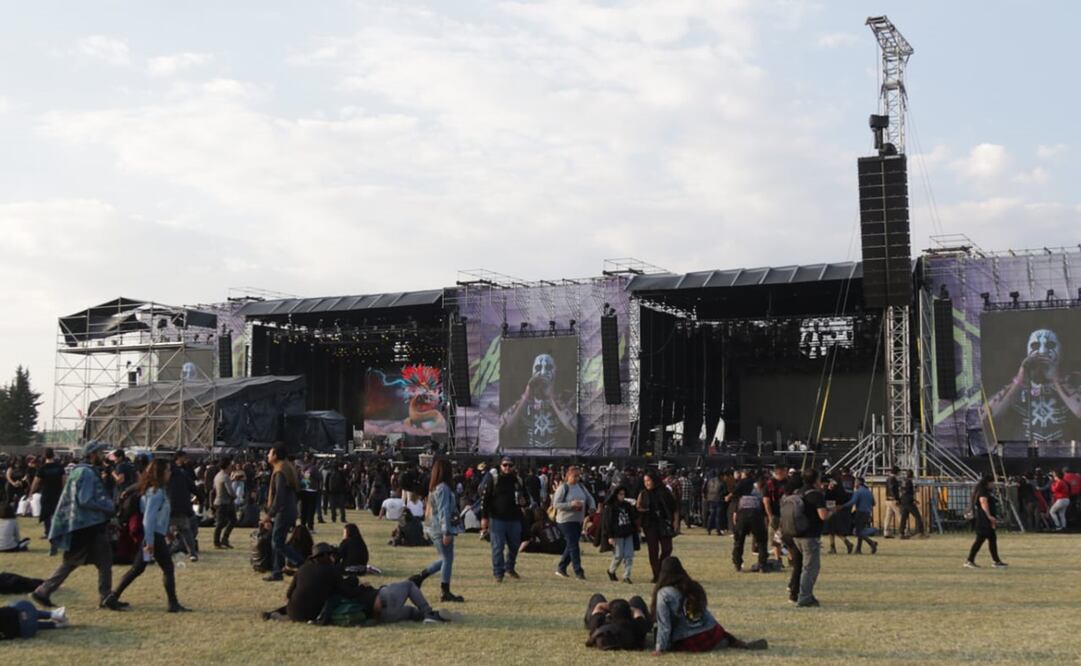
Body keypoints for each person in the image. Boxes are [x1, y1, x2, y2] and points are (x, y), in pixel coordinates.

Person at [32, 441, 116, 610]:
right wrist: (108, 506)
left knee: (98, 560)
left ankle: (105, 596)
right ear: (92, 454)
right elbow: (85, 500)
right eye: (100, 453)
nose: (103, 456)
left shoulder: (79, 471)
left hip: (82, 525)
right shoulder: (87, 473)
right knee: (84, 561)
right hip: (88, 525)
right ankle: (44, 590)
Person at [103, 459, 190, 613]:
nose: (170, 473)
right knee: (167, 567)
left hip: (154, 535)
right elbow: (148, 519)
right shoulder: (156, 492)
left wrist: (167, 532)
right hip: (153, 536)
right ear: (160, 473)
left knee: (138, 568)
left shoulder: (155, 490)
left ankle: (112, 597)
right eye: (167, 470)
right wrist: (149, 542)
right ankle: (173, 604)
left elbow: (158, 517)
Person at [650, 557, 768, 654]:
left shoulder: (664, 594)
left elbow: (664, 625)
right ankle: (729, 642)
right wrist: (717, 629)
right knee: (720, 637)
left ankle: (722, 643)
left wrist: (660, 648)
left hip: (688, 639)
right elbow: (704, 613)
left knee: (676, 643)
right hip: (710, 632)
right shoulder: (692, 586)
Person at [416, 459, 464, 602]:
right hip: (441, 528)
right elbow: (444, 511)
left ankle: (420, 577)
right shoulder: (443, 488)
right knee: (447, 559)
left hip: (434, 527)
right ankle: (445, 591)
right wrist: (446, 532)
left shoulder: (435, 488)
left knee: (445, 559)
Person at [783, 469, 831, 608]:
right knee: (810, 568)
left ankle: (796, 593)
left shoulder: (798, 492)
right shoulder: (816, 494)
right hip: (810, 535)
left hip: (796, 534)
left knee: (800, 566)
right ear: (816, 479)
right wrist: (832, 512)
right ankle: (805, 597)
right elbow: (823, 515)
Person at [263, 446, 304, 582]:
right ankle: (277, 572)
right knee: (278, 541)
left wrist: (270, 514)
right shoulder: (287, 467)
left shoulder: (280, 471)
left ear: (275, 455)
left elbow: (279, 496)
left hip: (284, 510)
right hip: (289, 509)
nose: (268, 455)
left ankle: (301, 563)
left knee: (277, 542)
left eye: (270, 453)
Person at [482, 456, 525, 583]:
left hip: (514, 518)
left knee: (514, 545)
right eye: (505, 465)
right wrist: (484, 517)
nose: (507, 468)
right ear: (500, 466)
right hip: (497, 518)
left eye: (510, 465)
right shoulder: (494, 479)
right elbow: (485, 499)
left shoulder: (517, 480)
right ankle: (498, 573)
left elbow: (525, 497)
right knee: (498, 547)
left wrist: (524, 501)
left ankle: (509, 567)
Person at [553, 465, 596, 580]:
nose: (577, 478)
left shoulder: (581, 486)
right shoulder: (563, 488)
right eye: (574, 476)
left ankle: (561, 567)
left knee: (571, 544)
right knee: (574, 545)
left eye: (578, 476)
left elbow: (589, 497)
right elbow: (556, 504)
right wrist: (571, 504)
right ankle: (578, 571)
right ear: (568, 475)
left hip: (577, 520)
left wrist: (592, 507)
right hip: (565, 520)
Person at [637, 471, 677, 583]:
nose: (647, 483)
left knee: (667, 548)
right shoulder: (644, 493)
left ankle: (661, 569)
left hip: (663, 523)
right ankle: (656, 574)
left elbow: (674, 507)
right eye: (645, 481)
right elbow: (638, 508)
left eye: (648, 480)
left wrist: (675, 522)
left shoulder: (664, 492)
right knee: (653, 550)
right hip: (650, 524)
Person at [965, 475, 1008, 569]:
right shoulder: (982, 491)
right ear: (988, 482)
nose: (993, 484)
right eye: (992, 482)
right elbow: (983, 502)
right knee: (980, 540)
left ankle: (996, 561)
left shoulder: (984, 491)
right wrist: (989, 516)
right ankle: (969, 560)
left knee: (992, 538)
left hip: (985, 519)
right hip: (983, 519)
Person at [583, 593, 651, 651]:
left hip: (610, 627)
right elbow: (638, 613)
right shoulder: (637, 627)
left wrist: (611, 606)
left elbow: (598, 607)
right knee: (636, 599)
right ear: (630, 614)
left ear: (610, 615)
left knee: (597, 597)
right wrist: (631, 609)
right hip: (629, 634)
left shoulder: (600, 625)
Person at [731, 473, 768, 573]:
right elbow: (763, 508)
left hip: (742, 514)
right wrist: (765, 520)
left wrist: (735, 520)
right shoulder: (759, 493)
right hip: (756, 515)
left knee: (739, 541)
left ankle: (737, 564)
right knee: (761, 541)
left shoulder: (741, 496)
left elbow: (736, 510)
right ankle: (762, 564)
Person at [168, 451, 199, 562]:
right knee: (185, 530)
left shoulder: (169, 474)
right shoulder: (182, 473)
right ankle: (191, 553)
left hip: (171, 506)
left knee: (167, 530)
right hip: (181, 506)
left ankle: (171, 549)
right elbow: (193, 486)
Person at [602, 486, 637, 583]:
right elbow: (607, 523)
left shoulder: (627, 505)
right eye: (620, 494)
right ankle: (611, 570)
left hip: (628, 532)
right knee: (618, 555)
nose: (622, 496)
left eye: (623, 494)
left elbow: (633, 518)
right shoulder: (610, 507)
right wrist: (610, 536)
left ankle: (626, 576)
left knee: (629, 555)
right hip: (617, 534)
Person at [29, 448, 65, 541]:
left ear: (45, 456)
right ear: (53, 455)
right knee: (57, 513)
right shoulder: (59, 467)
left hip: (46, 493)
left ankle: (48, 533)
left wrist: (31, 492)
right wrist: (64, 492)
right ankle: (58, 532)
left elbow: (36, 482)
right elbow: (64, 481)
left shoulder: (42, 468)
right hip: (57, 493)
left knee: (46, 514)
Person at [841, 477, 878, 554]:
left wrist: (842, 506)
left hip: (860, 513)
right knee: (860, 530)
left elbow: (852, 502)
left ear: (858, 483)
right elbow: (874, 503)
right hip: (867, 513)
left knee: (857, 532)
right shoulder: (868, 491)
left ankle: (871, 543)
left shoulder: (858, 492)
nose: (854, 484)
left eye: (855, 482)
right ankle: (858, 549)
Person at [0, 600, 68, 639]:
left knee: (28, 625)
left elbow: (7, 636)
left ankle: (56, 625)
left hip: (26, 630)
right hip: (22, 612)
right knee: (19, 608)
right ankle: (53, 614)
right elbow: (9, 610)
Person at [213, 456, 238, 549]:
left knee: (227, 521)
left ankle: (223, 540)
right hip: (224, 502)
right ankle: (218, 541)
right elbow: (230, 491)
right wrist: (235, 496)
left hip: (219, 501)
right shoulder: (225, 477)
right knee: (222, 523)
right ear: (227, 465)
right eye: (230, 465)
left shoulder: (217, 475)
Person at [899, 470, 926, 539]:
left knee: (903, 518)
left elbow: (903, 491)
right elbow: (909, 492)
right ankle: (920, 532)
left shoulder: (903, 481)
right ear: (912, 475)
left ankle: (901, 533)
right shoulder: (909, 482)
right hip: (909, 502)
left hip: (903, 501)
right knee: (918, 516)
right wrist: (913, 498)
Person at [883, 466, 902, 538]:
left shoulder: (888, 478)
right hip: (893, 500)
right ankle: (903, 531)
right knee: (900, 515)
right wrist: (896, 498)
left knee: (888, 516)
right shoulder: (893, 479)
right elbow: (892, 489)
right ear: (896, 472)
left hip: (888, 499)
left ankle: (886, 532)